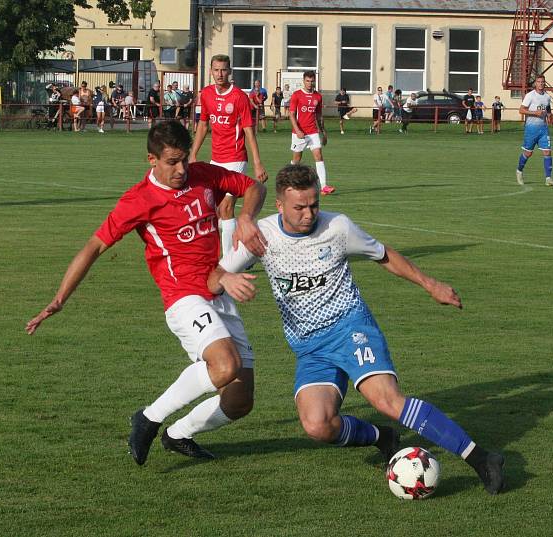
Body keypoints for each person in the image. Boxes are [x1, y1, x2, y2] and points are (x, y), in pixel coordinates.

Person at [208, 164, 506, 495]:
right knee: (317, 425)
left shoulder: (338, 227)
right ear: (279, 205)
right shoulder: (259, 236)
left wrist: (430, 283)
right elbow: (213, 278)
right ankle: (383, 438)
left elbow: (384, 255)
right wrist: (226, 277)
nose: (309, 214)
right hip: (309, 347)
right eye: (299, 207)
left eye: (314, 204)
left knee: (387, 400)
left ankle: (482, 458)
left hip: (350, 327)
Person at [26, 120, 268, 466]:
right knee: (225, 365)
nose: (182, 169)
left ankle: (178, 433)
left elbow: (252, 187)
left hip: (219, 288)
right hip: (183, 297)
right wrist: (59, 299)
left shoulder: (202, 174)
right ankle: (149, 417)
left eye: (184, 159)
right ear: (151, 160)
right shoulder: (139, 200)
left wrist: (246, 216)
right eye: (172, 162)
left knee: (240, 401)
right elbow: (94, 247)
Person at [189, 54, 268, 258]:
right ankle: (241, 254)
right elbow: (203, 125)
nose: (219, 74)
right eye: (216, 70)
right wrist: (193, 154)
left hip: (236, 158)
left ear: (230, 71)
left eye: (223, 70)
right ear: (211, 71)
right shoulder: (206, 94)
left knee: (226, 207)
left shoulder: (239, 97)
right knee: (218, 211)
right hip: (216, 159)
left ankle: (229, 260)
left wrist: (258, 164)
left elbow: (249, 131)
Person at [289, 71, 333, 195]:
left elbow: (319, 115)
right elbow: (291, 114)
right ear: (303, 81)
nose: (310, 83)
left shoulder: (318, 96)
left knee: (318, 155)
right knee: (297, 159)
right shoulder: (297, 95)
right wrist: (297, 130)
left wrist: (323, 132)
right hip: (299, 132)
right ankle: (288, 178)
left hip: (313, 131)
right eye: (307, 81)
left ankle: (323, 186)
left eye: (312, 81)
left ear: (315, 81)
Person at [516, 75, 553, 187]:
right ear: (535, 84)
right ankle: (519, 171)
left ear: (545, 83)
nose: (541, 84)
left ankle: (548, 178)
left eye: (543, 82)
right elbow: (521, 110)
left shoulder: (547, 97)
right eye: (539, 82)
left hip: (543, 129)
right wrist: (535, 113)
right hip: (531, 129)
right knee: (528, 153)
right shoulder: (530, 96)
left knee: (547, 151)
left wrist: (551, 117)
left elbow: (548, 109)